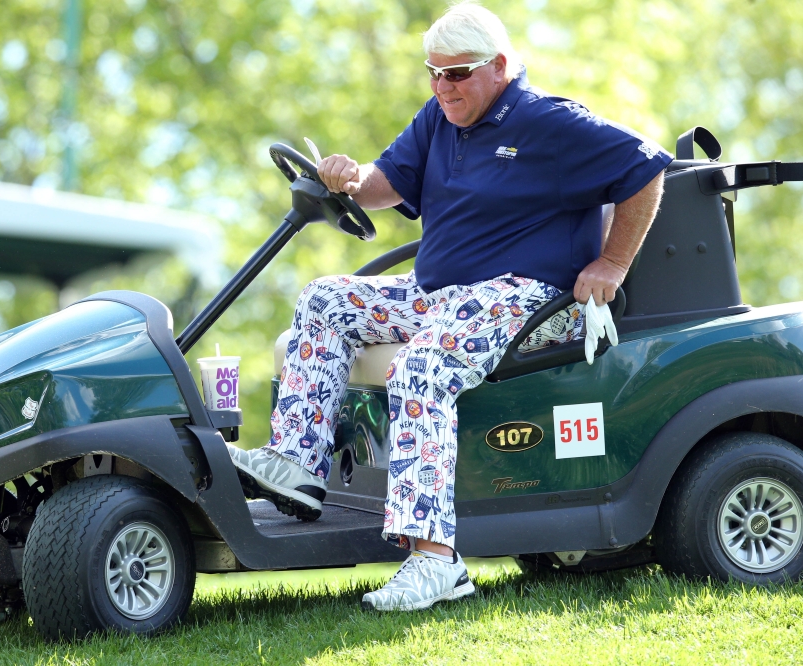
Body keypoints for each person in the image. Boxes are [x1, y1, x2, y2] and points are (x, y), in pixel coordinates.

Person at [227, 1, 671, 611]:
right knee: (325, 298)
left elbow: (646, 169)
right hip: (438, 293)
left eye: (457, 74)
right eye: (433, 73)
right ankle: (299, 468)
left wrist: (612, 263)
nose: (442, 86)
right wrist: (351, 178)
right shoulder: (440, 117)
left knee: (419, 367)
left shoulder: (550, 122)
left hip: (523, 293)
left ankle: (435, 560)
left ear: (500, 67)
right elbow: (388, 182)